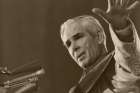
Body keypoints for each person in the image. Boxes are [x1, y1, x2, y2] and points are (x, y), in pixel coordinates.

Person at [60, 0, 140, 93]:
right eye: (68, 44)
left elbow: (130, 59)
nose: (73, 48)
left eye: (78, 37)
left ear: (99, 37)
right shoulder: (77, 90)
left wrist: (122, 28)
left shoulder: (119, 65)